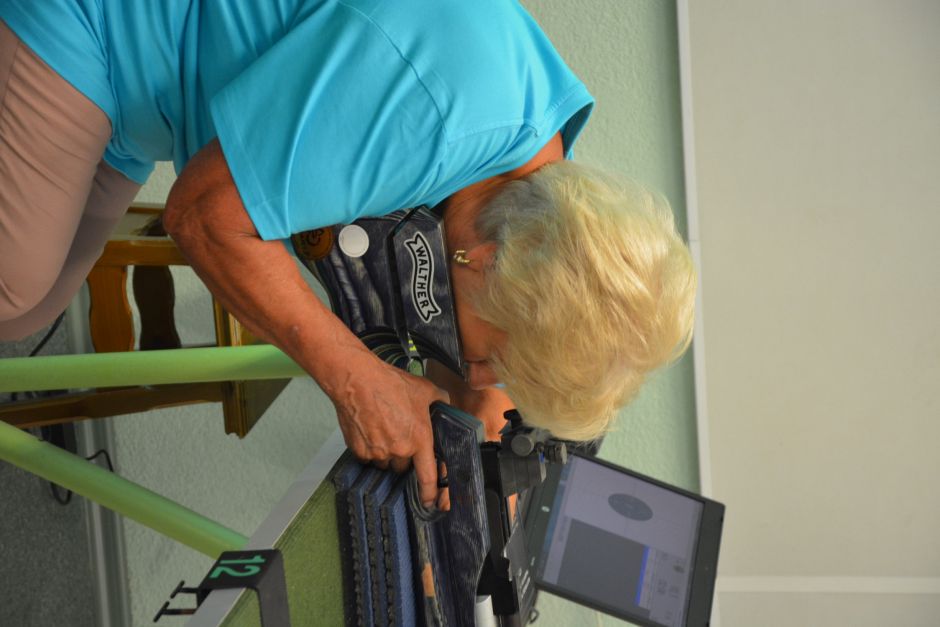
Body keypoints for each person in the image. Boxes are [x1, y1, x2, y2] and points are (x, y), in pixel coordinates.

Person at [0, 1, 695, 509]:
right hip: (106, 26)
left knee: (31, 309)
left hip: (148, 96)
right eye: (498, 360)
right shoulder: (426, 114)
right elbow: (204, 217)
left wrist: (484, 426)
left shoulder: (539, 178)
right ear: (487, 262)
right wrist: (358, 381)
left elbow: (488, 318)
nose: (486, 375)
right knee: (12, 288)